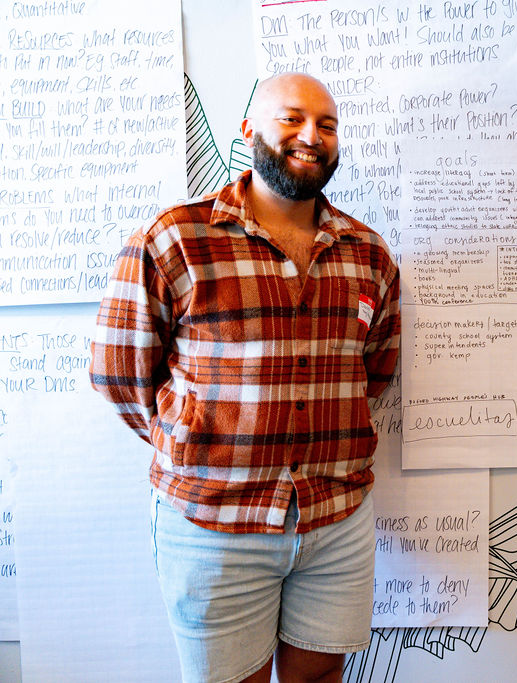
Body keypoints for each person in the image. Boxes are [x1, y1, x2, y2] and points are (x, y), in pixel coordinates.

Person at [90, 73, 400, 683]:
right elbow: (118, 372)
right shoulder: (177, 238)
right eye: (292, 118)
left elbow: (376, 371)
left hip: (335, 519)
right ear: (249, 129)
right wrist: (192, 441)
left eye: (327, 124)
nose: (311, 135)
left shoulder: (367, 253)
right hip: (213, 523)